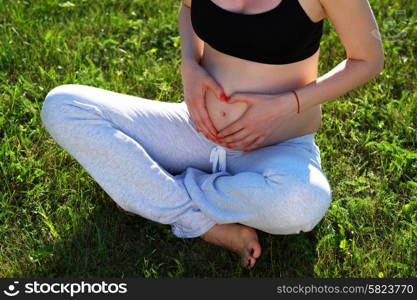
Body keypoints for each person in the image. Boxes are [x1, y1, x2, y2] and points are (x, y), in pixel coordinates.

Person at [40, 0, 384, 269]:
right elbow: (190, 9)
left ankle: (151, 191)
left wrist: (283, 105)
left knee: (301, 204)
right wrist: (189, 65)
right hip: (194, 130)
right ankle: (204, 224)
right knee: (63, 105)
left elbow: (367, 60)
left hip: (275, 147)